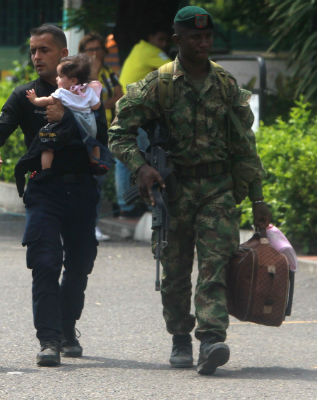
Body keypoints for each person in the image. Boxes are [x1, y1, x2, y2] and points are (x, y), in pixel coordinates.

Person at [108, 6, 271, 376]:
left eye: (208, 37)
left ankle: (211, 339)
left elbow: (245, 146)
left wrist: (258, 198)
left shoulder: (226, 84)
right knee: (175, 272)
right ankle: (180, 335)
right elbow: (119, 132)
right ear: (177, 40)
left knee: (217, 266)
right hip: (174, 189)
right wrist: (141, 167)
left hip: (217, 189)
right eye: (195, 37)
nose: (203, 43)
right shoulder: (159, 83)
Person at [0, 24, 106, 367]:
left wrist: (68, 119)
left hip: (82, 187)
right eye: (33, 50)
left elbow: (101, 143)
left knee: (80, 264)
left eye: (44, 50)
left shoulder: (90, 98)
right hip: (42, 185)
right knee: (45, 261)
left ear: (64, 54)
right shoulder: (26, 96)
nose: (36, 56)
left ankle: (68, 328)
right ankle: (49, 339)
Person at [114, 25, 170, 219]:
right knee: (140, 159)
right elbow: (176, 71)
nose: (163, 44)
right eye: (161, 39)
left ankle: (126, 205)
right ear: (151, 36)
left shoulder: (139, 49)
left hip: (127, 110)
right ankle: (131, 205)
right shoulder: (150, 52)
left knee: (127, 160)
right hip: (138, 113)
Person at [24, 54, 103, 177]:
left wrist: (34, 100)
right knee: (94, 144)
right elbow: (96, 106)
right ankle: (95, 164)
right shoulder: (88, 91)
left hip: (66, 129)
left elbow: (46, 101)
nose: (57, 79)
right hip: (88, 126)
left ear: (73, 80)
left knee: (46, 141)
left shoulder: (62, 93)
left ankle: (45, 170)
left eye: (60, 76)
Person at [79, 32, 123, 241]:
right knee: (83, 180)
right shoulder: (77, 75)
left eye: (98, 49)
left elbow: (119, 94)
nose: (95, 54)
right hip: (84, 133)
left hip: (103, 131)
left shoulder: (109, 73)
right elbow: (83, 99)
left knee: (98, 179)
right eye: (90, 50)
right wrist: (93, 73)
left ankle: (91, 225)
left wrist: (105, 105)